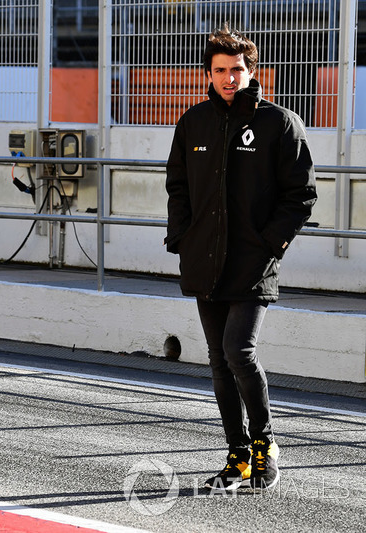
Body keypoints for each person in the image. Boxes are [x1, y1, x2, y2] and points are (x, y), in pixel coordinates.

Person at [164, 23, 317, 491]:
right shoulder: (193, 122)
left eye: (237, 69)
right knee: (216, 359)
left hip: (253, 262)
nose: (229, 78)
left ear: (252, 71)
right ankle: (236, 456)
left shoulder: (279, 123)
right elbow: (178, 187)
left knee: (238, 351)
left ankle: (263, 443)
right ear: (207, 75)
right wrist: (182, 239)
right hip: (204, 259)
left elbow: (301, 195)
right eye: (220, 71)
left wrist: (272, 244)